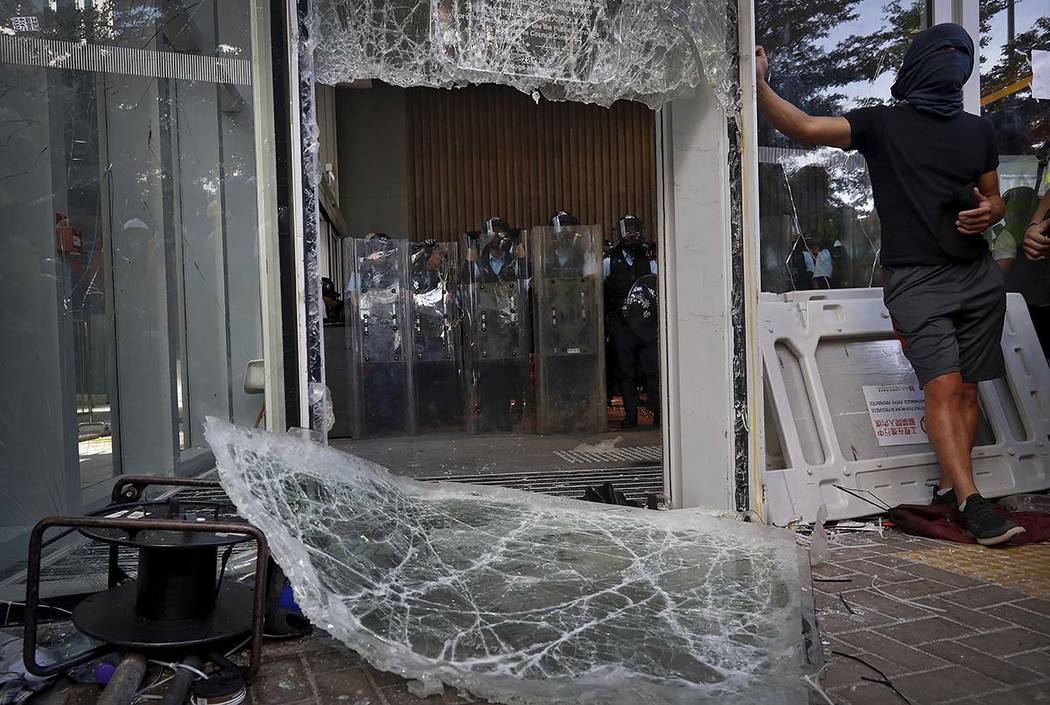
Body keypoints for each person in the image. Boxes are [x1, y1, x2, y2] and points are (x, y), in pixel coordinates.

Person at [757, 23, 1023, 545]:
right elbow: (806, 128)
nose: (955, 59)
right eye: (945, 51)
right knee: (943, 384)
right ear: (920, 62)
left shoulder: (978, 130)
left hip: (976, 276)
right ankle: (974, 504)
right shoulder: (883, 124)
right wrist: (760, 81)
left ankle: (951, 488)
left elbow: (993, 197)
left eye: (963, 53)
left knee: (968, 387)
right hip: (916, 278)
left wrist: (990, 212)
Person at [603, 215, 659, 429]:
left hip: (645, 326)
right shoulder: (609, 261)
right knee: (625, 369)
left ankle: (656, 410)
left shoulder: (649, 261)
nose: (632, 236)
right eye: (627, 231)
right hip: (622, 325)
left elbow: (656, 290)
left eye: (635, 231)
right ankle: (631, 412)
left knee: (651, 368)